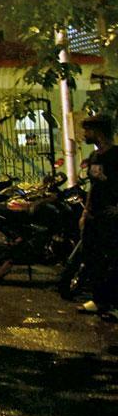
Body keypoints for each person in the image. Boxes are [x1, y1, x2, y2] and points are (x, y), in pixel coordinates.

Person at [78, 114, 118, 319]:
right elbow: (93, 186)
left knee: (112, 260)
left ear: (98, 131)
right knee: (93, 258)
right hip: (94, 215)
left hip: (111, 216)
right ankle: (98, 300)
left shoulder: (115, 156)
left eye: (87, 130)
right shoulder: (95, 157)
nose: (84, 134)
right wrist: (86, 211)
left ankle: (113, 303)